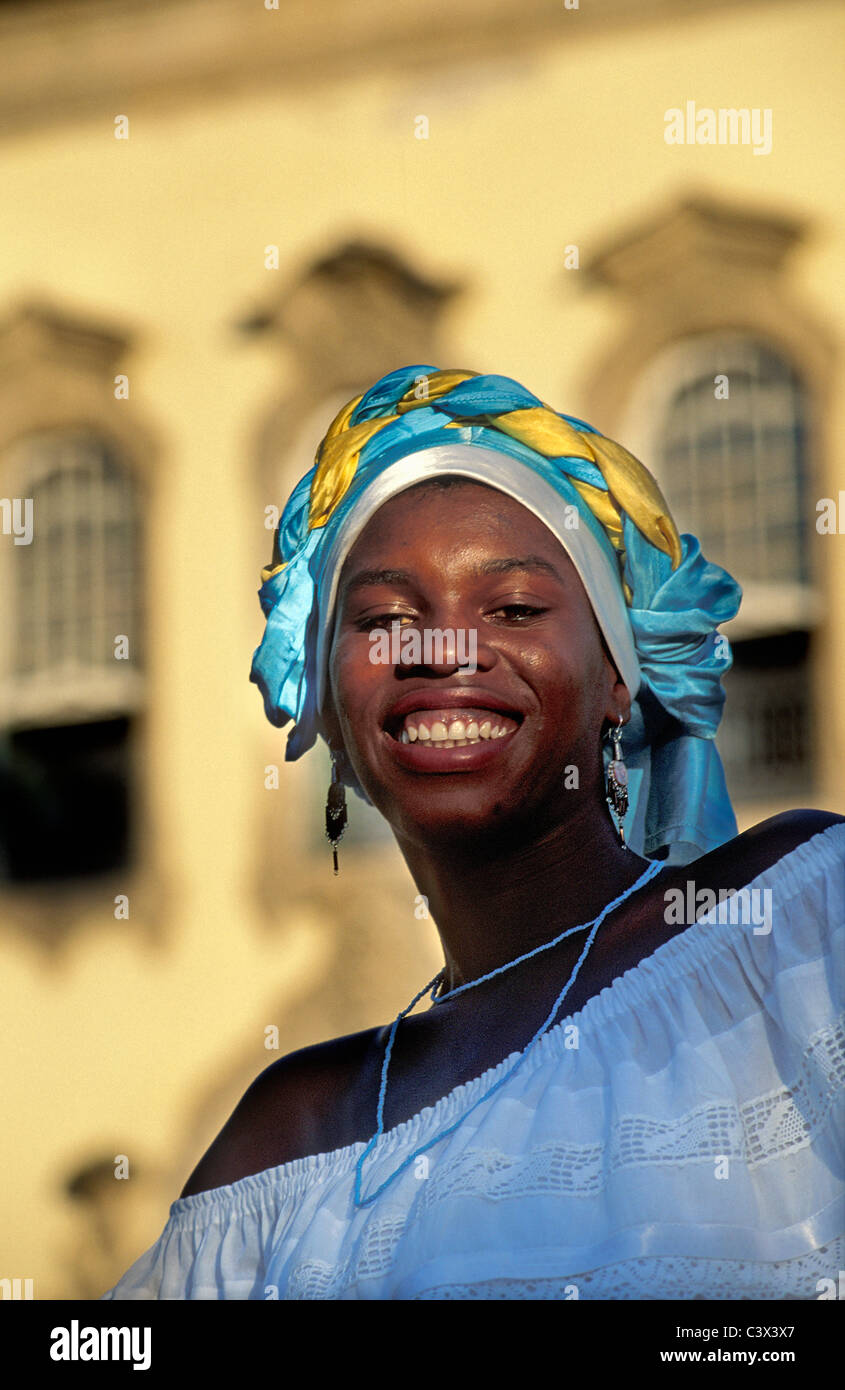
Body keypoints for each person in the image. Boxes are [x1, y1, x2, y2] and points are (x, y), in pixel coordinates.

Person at [102, 365, 844, 1300]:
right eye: (382, 618)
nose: (441, 650)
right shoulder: (281, 1147)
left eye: (515, 609)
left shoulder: (794, 928)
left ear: (620, 677)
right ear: (324, 703)